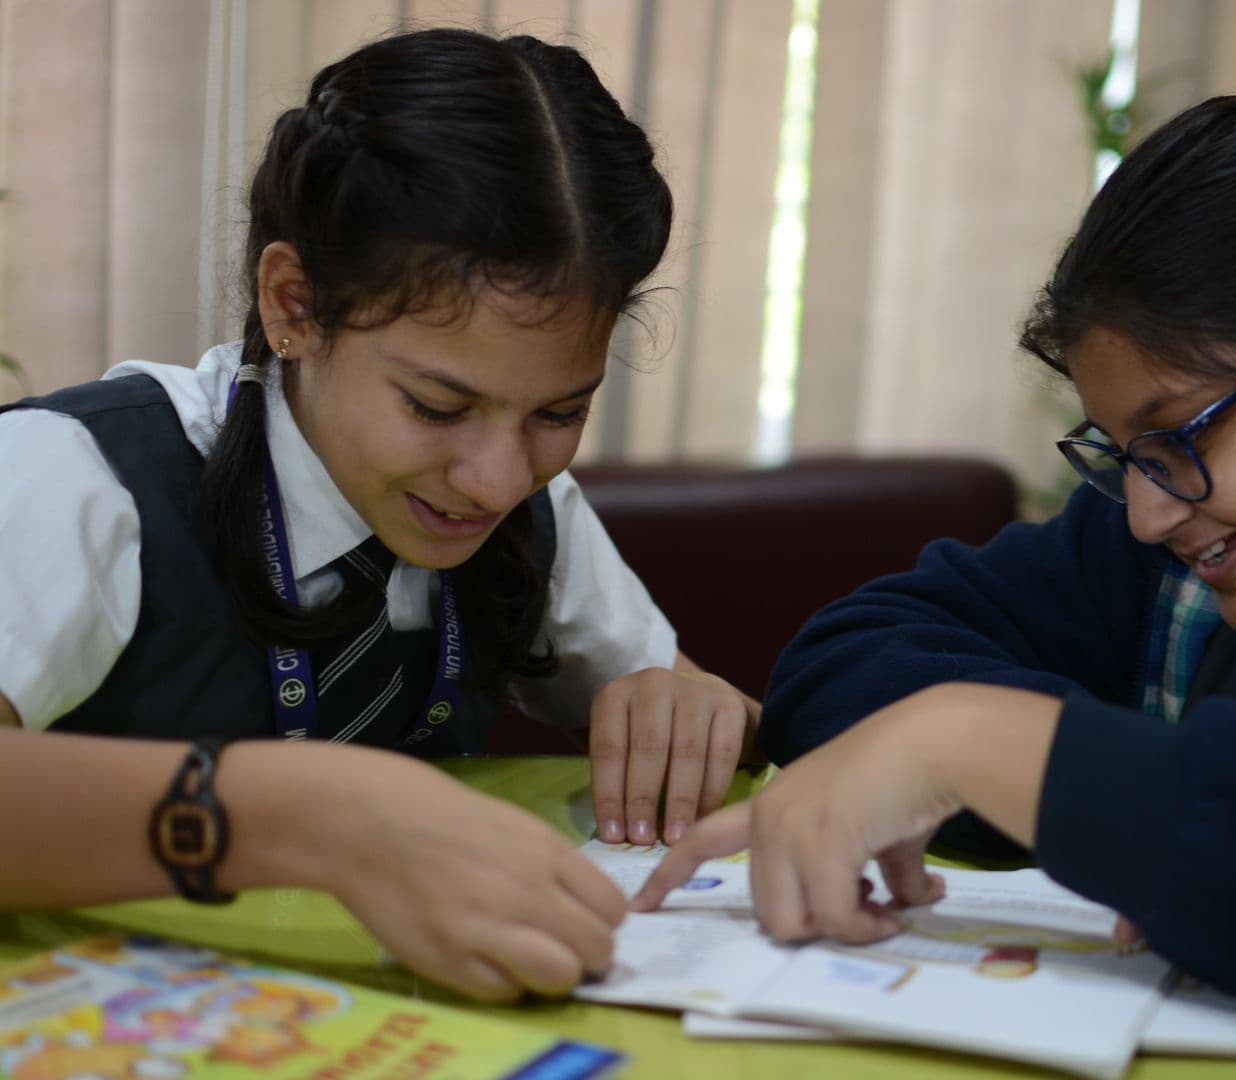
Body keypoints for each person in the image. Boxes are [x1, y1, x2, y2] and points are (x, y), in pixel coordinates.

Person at [636, 92, 1236, 1044]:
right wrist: (1096, 796)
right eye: (1124, 455)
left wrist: (1007, 754)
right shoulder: (1189, 536)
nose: (1149, 514)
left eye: (1178, 433)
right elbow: (843, 658)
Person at [0, 27, 753, 1000]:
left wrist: (690, 706)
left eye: (560, 413)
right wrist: (307, 814)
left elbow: (683, 696)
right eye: (436, 408)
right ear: (293, 307)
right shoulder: (81, 478)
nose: (492, 480)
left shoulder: (527, 506)